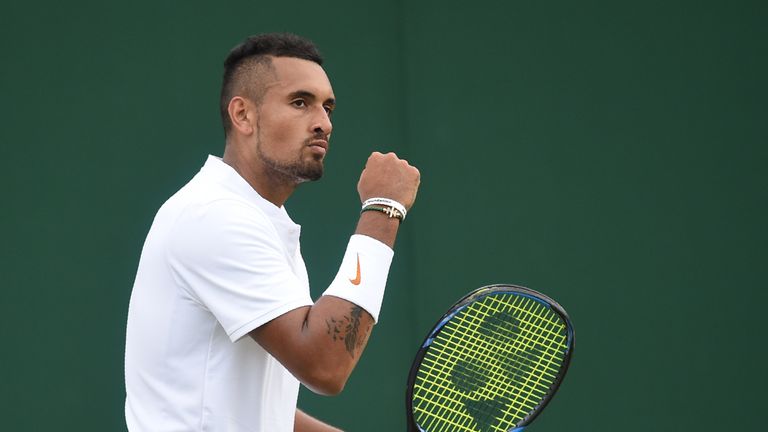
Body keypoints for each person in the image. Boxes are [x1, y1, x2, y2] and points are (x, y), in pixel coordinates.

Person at [124, 33, 420, 431]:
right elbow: (326, 365)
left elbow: (249, 407)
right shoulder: (214, 217)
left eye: (328, 107)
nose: (323, 123)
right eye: (301, 102)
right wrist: (384, 208)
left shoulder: (250, 217)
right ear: (243, 115)